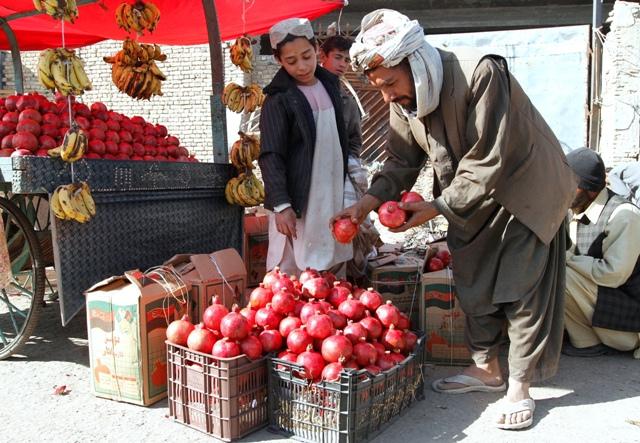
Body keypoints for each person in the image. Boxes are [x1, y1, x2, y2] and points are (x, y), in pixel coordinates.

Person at [332, 9, 577, 430]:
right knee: (472, 276)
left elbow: (489, 157)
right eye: (380, 89)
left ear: (415, 62)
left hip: (525, 189)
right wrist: (368, 203)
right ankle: (487, 368)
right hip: (470, 196)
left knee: (522, 287)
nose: (387, 96)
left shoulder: (480, 72)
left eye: (390, 84)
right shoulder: (405, 101)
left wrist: (436, 207)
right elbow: (400, 159)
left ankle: (519, 384)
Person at [258, 18, 352, 278]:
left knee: (332, 260)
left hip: (331, 193)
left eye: (307, 56)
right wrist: (281, 204)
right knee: (293, 268)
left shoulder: (330, 86)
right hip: (298, 198)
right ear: (279, 61)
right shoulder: (278, 100)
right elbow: (270, 155)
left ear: (315, 48)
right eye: (291, 61)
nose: (302, 66)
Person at [563, 148, 640, 358]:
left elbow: (613, 275)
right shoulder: (575, 208)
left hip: (629, 318)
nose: (563, 190)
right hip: (603, 303)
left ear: (590, 190)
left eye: (571, 186)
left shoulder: (624, 215)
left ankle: (593, 341)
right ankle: (585, 342)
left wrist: (568, 259)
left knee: (562, 276)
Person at [318, 35, 379, 282]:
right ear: (323, 57)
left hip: (342, 172)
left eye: (346, 59)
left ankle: (348, 284)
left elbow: (355, 138)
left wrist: (351, 163)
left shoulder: (347, 99)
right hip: (315, 175)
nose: (342, 64)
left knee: (349, 227)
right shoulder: (311, 92)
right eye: (337, 57)